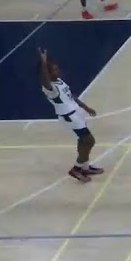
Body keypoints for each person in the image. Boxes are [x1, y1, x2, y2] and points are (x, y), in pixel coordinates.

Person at [38, 48, 103, 183]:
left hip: (76, 114)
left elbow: (70, 95)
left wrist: (85, 107)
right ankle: (76, 168)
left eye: (57, 69)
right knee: (89, 140)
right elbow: (44, 79)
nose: (58, 71)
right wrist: (43, 63)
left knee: (82, 140)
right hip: (69, 117)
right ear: (48, 74)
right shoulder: (50, 89)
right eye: (54, 70)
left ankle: (85, 167)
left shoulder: (60, 82)